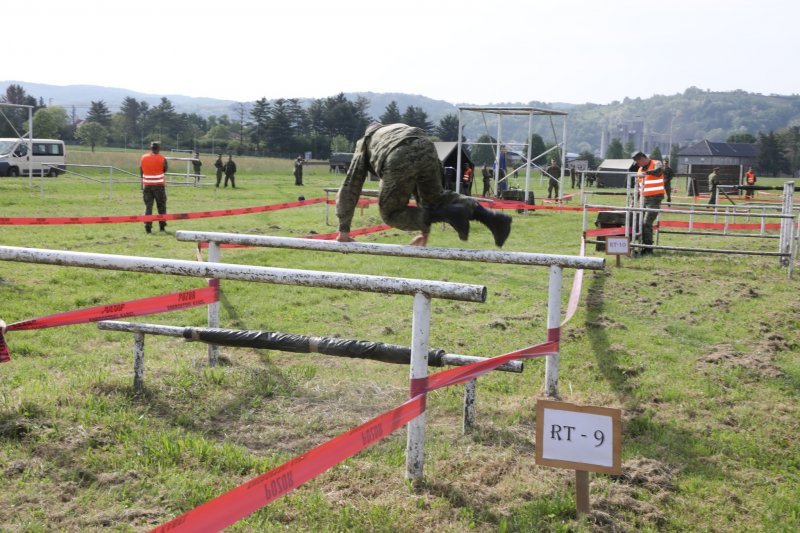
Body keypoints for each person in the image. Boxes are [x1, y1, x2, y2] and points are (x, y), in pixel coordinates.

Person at [336, 122, 512, 247]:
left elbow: (350, 186)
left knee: (391, 213)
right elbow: (423, 195)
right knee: (437, 197)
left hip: (398, 153)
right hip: (426, 145)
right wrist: (424, 231)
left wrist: (343, 230)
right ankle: (493, 219)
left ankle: (451, 213)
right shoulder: (393, 129)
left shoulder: (365, 141)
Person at [632, 151, 665, 255]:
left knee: (647, 223)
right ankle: (642, 246)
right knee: (640, 223)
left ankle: (648, 248)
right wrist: (634, 201)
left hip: (655, 199)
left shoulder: (656, 163)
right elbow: (638, 187)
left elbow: (659, 171)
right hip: (643, 199)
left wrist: (647, 173)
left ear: (643, 158)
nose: (638, 164)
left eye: (638, 161)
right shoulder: (640, 170)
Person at [140, 141, 168, 233]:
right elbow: (165, 170)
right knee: (161, 206)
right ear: (159, 149)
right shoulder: (162, 158)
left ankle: (148, 227)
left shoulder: (143, 158)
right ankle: (162, 227)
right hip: (159, 186)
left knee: (148, 206)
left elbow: (141, 171)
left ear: (150, 148)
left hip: (147, 185)